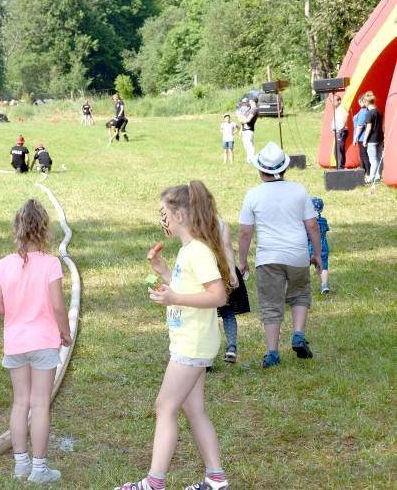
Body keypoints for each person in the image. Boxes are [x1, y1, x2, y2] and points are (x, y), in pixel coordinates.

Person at [115, 181, 230, 490]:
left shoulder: (197, 252)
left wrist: (174, 299)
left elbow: (218, 296)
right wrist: (166, 274)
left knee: (165, 407)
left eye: (164, 212)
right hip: (191, 340)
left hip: (192, 343)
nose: (162, 218)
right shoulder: (187, 252)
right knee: (192, 408)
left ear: (179, 216)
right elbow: (190, 286)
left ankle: (154, 483)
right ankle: (216, 479)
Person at [0, 199, 71, 483]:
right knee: (40, 404)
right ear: (45, 230)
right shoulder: (50, 264)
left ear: (16, 229)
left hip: (16, 342)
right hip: (43, 342)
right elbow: (59, 306)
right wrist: (66, 332)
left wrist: (14, 315)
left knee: (20, 402)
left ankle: (20, 464)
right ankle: (39, 468)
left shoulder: (4, 264)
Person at [238, 142, 322, 368]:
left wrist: (243, 261)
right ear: (285, 169)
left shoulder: (253, 194)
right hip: (297, 255)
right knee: (300, 294)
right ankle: (298, 334)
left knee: (270, 303)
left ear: (260, 170)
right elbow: (312, 226)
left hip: (268, 258)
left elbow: (245, 232)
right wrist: (317, 254)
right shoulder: (299, 190)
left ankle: (273, 352)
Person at [217, 219, 248, 364]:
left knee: (205, 315)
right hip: (223, 270)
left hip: (205, 273)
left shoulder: (192, 223)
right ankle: (231, 346)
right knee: (227, 311)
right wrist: (232, 272)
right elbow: (227, 246)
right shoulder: (220, 223)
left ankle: (206, 357)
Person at [308, 197, 330, 295]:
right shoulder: (323, 221)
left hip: (308, 248)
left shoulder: (306, 222)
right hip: (322, 248)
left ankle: (303, 286)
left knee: (302, 267)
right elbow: (325, 229)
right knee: (324, 267)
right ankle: (324, 285)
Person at [361, 93, 384, 183]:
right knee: (379, 158)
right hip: (379, 138)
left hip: (372, 140)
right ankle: (378, 177)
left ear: (366, 102)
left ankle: (371, 178)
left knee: (373, 160)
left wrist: (365, 140)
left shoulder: (369, 113)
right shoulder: (379, 111)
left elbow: (369, 128)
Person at [352, 93, 370, 178]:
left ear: (361, 101)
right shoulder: (363, 110)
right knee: (362, 155)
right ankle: (363, 170)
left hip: (362, 137)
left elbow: (360, 126)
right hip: (360, 137)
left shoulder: (363, 112)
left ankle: (368, 172)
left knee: (364, 155)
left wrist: (355, 137)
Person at [330, 94, 349, 170]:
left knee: (338, 150)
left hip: (341, 131)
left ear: (339, 101)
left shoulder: (341, 108)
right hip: (338, 132)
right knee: (337, 150)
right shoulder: (337, 109)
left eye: (334, 101)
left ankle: (340, 167)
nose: (332, 103)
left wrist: (342, 126)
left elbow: (346, 114)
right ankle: (340, 166)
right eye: (332, 101)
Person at [239, 98, 258, 163]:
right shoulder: (251, 109)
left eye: (250, 101)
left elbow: (248, 120)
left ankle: (253, 160)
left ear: (252, 101)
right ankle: (249, 160)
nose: (249, 102)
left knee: (249, 145)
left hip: (248, 130)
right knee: (246, 146)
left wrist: (241, 118)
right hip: (245, 129)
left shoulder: (254, 109)